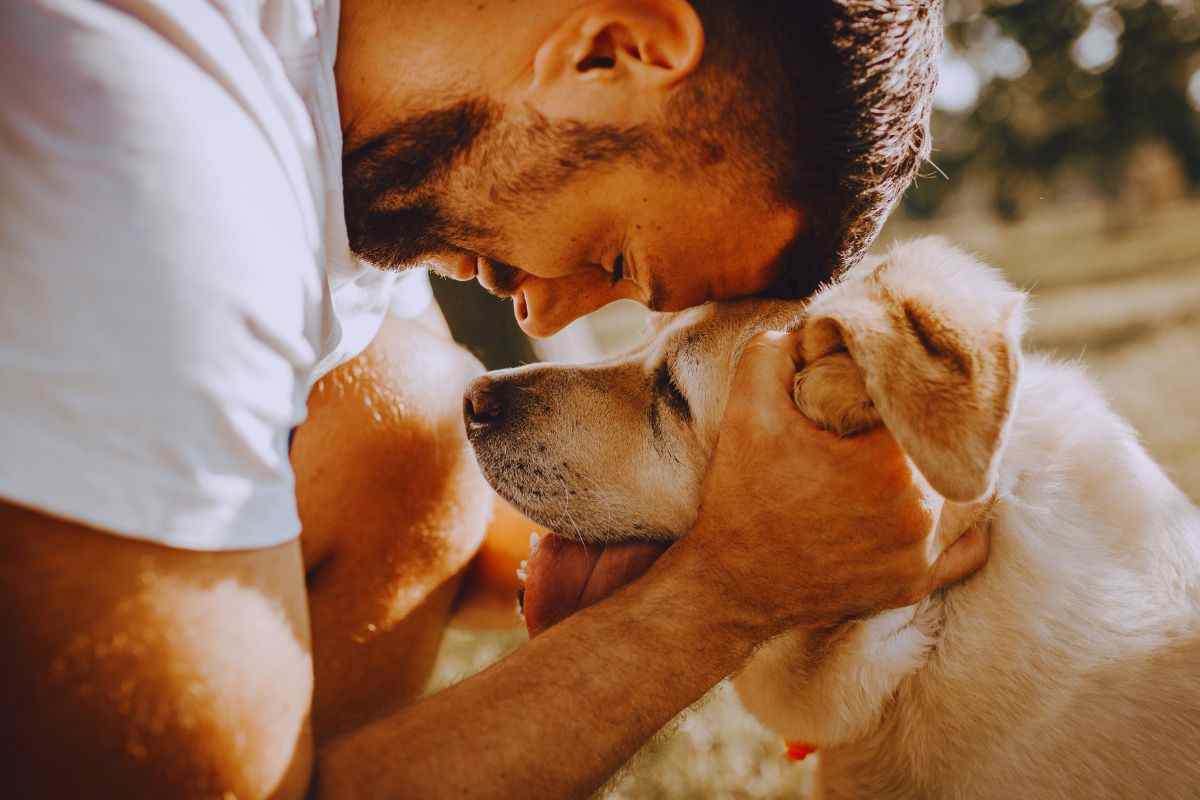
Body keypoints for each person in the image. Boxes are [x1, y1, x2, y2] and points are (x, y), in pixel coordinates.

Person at [0, 0, 987, 798]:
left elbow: (446, 537)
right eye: (613, 257)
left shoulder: (330, 124)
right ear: (613, 49)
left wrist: (807, 535)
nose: (547, 318)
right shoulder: (148, 150)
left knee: (408, 417)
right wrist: (731, 591)